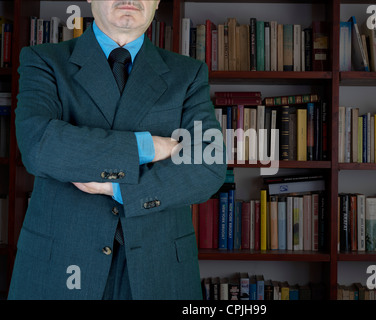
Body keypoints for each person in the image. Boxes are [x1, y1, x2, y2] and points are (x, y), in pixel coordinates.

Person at [8, 0, 226, 300]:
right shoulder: (44, 61)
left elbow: (208, 165)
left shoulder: (188, 74)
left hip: (158, 268)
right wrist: (148, 146)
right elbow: (40, 146)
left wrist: (117, 189)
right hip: (60, 263)